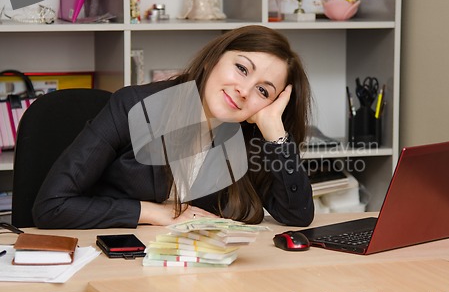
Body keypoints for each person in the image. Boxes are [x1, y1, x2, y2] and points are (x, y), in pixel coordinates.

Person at [32, 25, 314, 229]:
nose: (243, 91)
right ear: (212, 60)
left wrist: (276, 133)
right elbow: (52, 206)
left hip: (192, 269)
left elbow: (297, 215)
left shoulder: (246, 137)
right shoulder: (133, 106)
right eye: (242, 68)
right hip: (113, 259)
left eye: (263, 91)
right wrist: (154, 213)